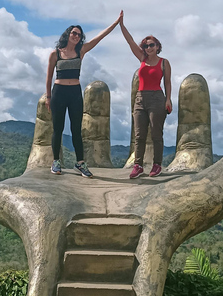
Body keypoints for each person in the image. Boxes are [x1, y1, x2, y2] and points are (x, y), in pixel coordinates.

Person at [45, 11, 123, 177]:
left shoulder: (81, 51)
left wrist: (116, 23)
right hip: (58, 92)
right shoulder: (56, 54)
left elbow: (100, 37)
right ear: (68, 34)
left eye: (79, 35)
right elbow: (49, 76)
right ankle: (56, 162)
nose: (76, 36)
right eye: (74, 33)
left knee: (76, 130)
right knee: (57, 129)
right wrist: (48, 96)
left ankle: (80, 163)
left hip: (75, 93)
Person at [118, 16, 172, 178]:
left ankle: (157, 165)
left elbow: (168, 83)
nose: (148, 48)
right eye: (146, 45)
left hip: (157, 98)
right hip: (140, 99)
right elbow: (130, 41)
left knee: (156, 134)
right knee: (139, 135)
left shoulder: (164, 62)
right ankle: (138, 166)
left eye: (151, 45)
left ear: (157, 46)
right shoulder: (142, 59)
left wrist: (168, 99)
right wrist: (121, 25)